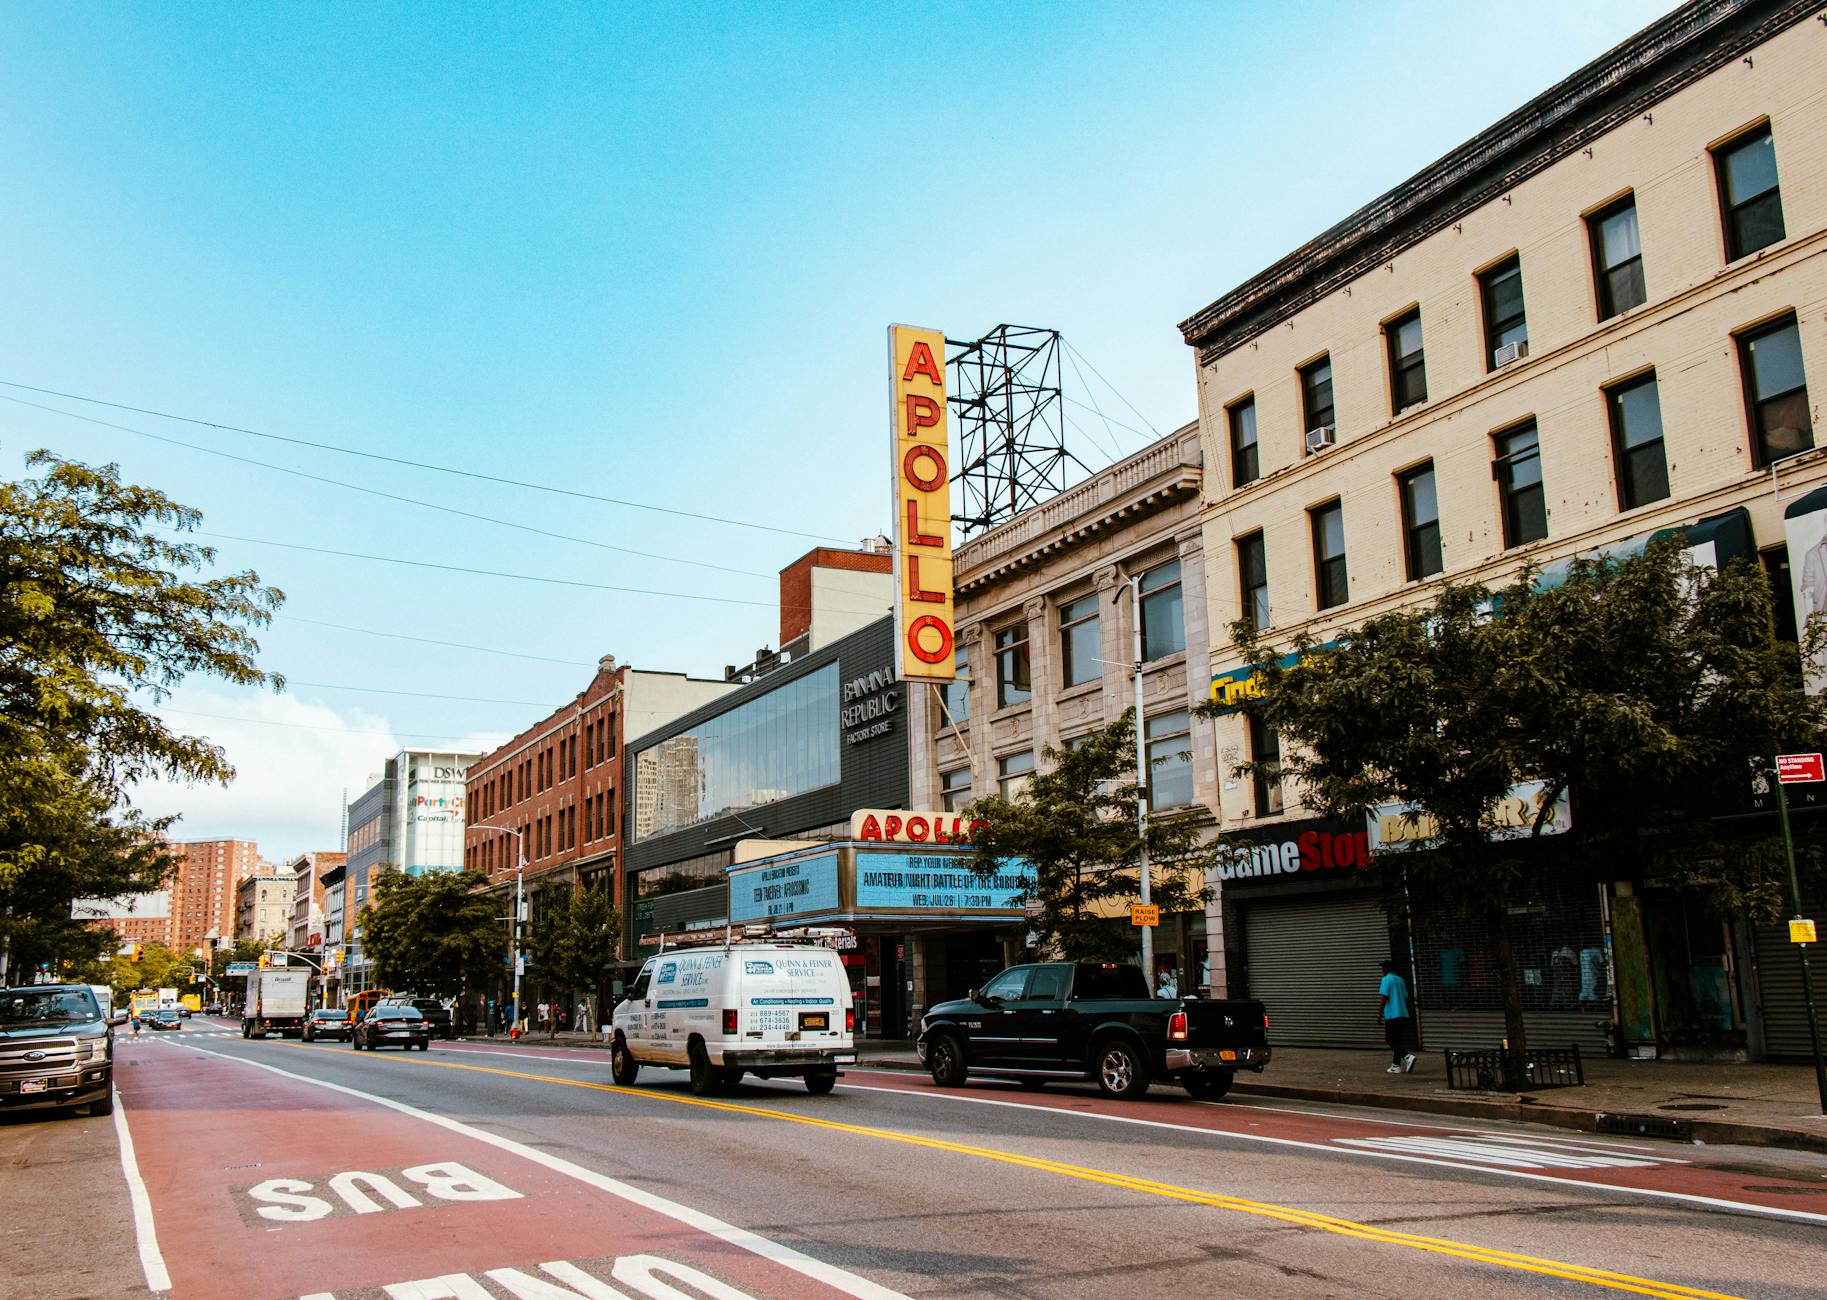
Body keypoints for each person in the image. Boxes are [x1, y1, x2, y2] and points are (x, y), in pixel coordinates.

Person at [1380, 959, 1416, 1073]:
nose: (1382, 970)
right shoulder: (1400, 980)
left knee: (1389, 1039)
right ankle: (1396, 1066)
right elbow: (1405, 996)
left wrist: (1379, 1012)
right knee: (1397, 1040)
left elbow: (1384, 996)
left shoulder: (1386, 979)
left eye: (1383, 968)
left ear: (1387, 969)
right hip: (1404, 1014)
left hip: (1392, 1015)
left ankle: (1407, 1057)